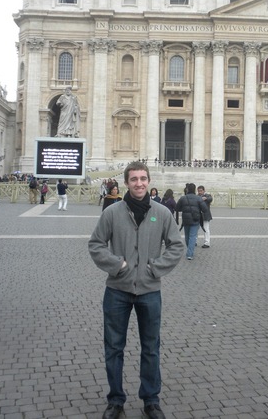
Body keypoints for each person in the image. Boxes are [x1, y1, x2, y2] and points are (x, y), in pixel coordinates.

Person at [88, 161, 184, 419]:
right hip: (117, 289)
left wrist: (155, 268)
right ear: (127, 182)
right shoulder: (112, 212)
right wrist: (117, 264)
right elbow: (96, 244)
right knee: (114, 348)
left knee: (151, 347)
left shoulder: (162, 213)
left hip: (150, 290)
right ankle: (115, 400)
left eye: (143, 179)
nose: (139, 183)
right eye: (134, 179)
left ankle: (151, 400)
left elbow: (176, 246)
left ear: (149, 181)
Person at [175, 183, 208, 260]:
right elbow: (205, 209)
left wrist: (184, 209)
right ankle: (190, 253)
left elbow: (177, 208)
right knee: (192, 236)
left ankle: (190, 250)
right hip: (195, 219)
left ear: (187, 189)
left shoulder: (183, 198)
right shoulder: (198, 198)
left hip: (186, 219)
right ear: (194, 189)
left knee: (187, 236)